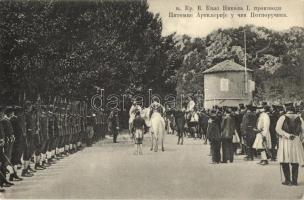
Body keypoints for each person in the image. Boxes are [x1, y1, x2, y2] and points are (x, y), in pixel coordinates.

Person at [276, 103, 304, 186]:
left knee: (285, 160)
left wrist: (287, 135)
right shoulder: (299, 118)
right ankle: (294, 181)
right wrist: (301, 139)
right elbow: (303, 130)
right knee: (295, 161)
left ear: (287, 110)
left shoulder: (282, 117)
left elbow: (277, 129)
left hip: (286, 141)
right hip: (296, 140)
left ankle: (287, 180)